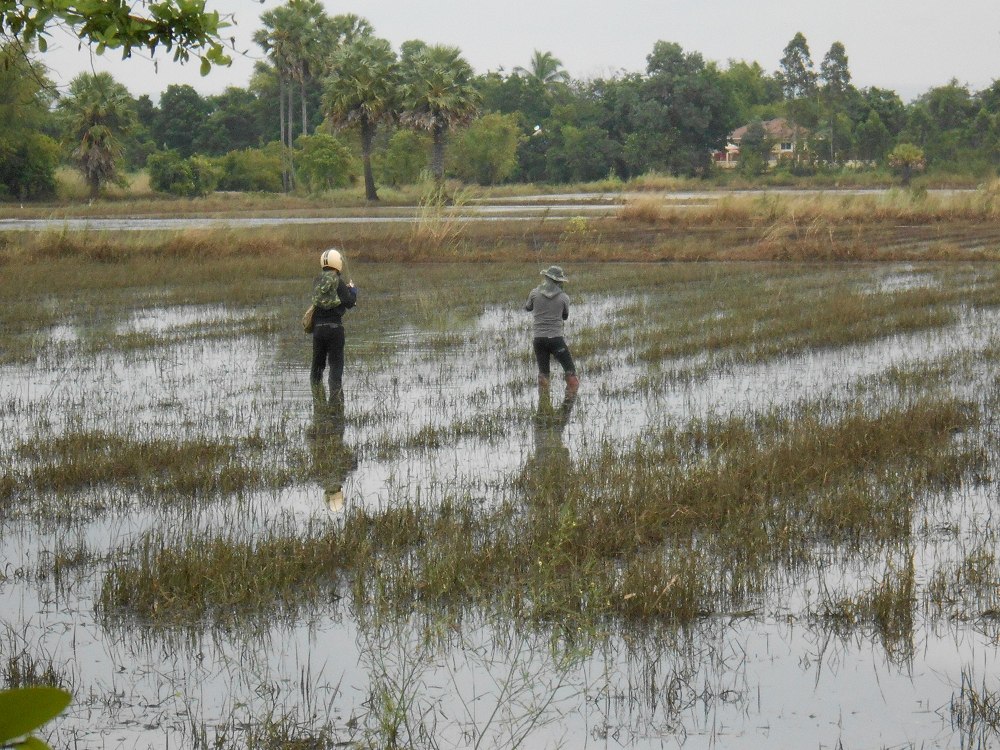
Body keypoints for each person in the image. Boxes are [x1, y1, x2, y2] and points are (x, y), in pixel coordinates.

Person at [524, 265, 579, 391]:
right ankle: (568, 405)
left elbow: (528, 308)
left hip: (539, 340)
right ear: (559, 282)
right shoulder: (564, 297)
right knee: (571, 374)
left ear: (546, 278)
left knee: (543, 375)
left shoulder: (534, 293)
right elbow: (565, 316)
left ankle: (543, 405)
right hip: (556, 340)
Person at [310, 248, 358, 392]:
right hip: (335, 330)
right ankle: (335, 406)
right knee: (335, 368)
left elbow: (324, 296)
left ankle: (317, 400)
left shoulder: (316, 281)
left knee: (317, 368)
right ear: (337, 262)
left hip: (318, 330)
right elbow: (349, 303)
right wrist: (353, 291)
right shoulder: (339, 282)